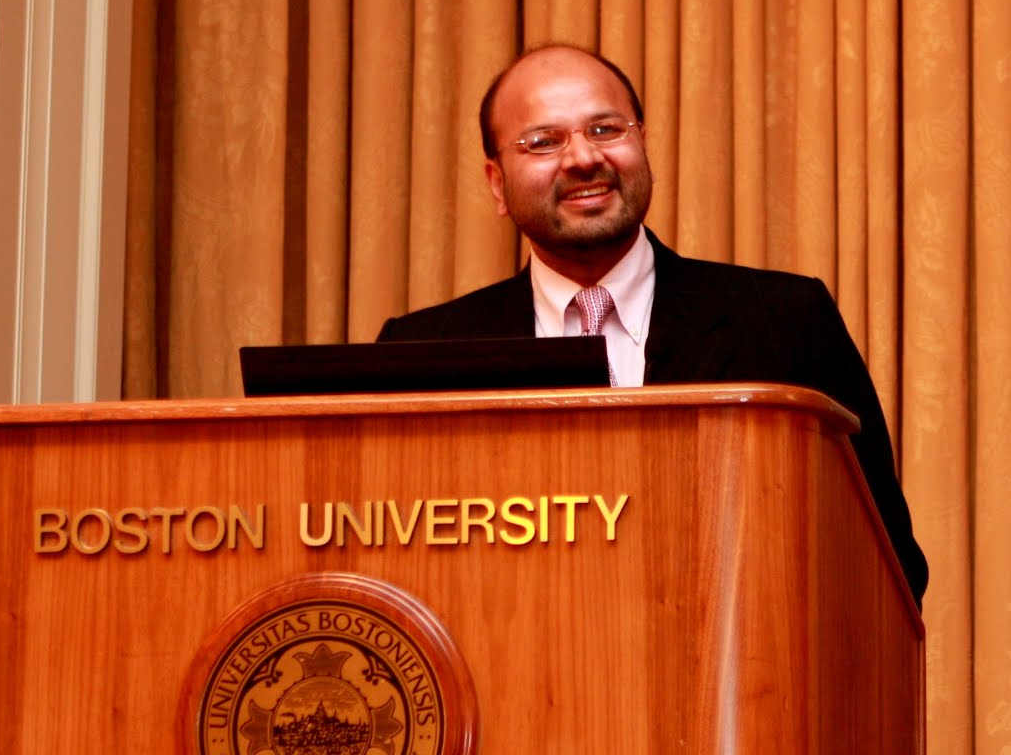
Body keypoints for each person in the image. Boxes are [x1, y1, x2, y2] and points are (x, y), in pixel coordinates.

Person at [377, 45, 927, 606]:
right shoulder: (423, 349)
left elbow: (888, 561)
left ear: (642, 143)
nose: (583, 158)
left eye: (605, 128)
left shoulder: (783, 319)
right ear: (496, 183)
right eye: (544, 142)